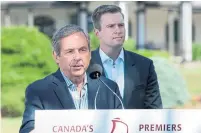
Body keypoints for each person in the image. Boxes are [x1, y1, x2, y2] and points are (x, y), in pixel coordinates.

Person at [20, 24, 123, 133]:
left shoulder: (109, 88)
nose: (77, 57)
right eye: (70, 51)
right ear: (56, 57)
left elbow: (123, 125)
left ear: (90, 54)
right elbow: (28, 129)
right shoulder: (39, 91)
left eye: (82, 50)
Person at [88, 5, 163, 109]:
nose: (118, 30)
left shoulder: (145, 66)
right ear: (97, 33)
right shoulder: (83, 64)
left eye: (121, 25)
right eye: (111, 26)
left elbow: (155, 111)